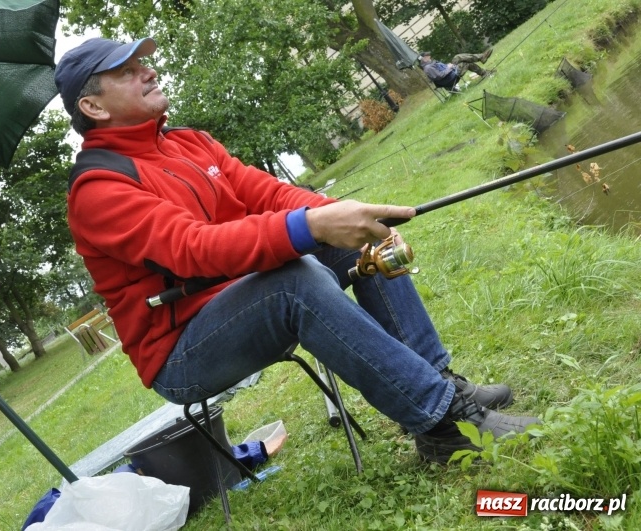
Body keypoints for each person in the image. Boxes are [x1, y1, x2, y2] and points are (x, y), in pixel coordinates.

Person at [55, 37, 538, 464]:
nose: (149, 71)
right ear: (94, 107)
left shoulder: (190, 144)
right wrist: (312, 226)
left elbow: (270, 195)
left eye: (145, 62)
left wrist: (342, 214)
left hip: (240, 296)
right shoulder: (98, 189)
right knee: (294, 283)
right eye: (127, 71)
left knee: (354, 241)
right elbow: (194, 249)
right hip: (182, 351)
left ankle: (439, 382)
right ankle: (442, 424)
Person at [420, 49, 494, 91]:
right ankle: (483, 64)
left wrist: (447, 66)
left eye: (428, 55)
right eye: (427, 56)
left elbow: (440, 69)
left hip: (450, 73)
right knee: (465, 63)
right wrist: (449, 67)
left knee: (457, 57)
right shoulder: (428, 68)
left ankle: (482, 58)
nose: (429, 56)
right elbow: (439, 76)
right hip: (449, 79)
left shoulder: (429, 64)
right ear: (423, 58)